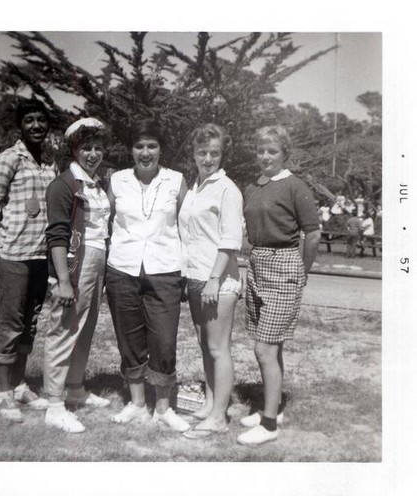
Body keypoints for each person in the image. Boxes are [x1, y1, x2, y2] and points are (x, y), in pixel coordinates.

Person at [105, 118, 190, 432]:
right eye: (139, 145)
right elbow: (102, 222)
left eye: (151, 146)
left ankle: (164, 407)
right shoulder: (117, 181)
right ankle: (137, 404)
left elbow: (189, 225)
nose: (145, 152)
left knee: (164, 341)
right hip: (122, 269)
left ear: (161, 149)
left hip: (165, 270)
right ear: (131, 149)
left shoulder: (176, 180)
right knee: (129, 338)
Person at [239, 125, 320, 445]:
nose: (265, 156)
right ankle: (271, 408)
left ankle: (269, 425)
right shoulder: (253, 186)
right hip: (257, 263)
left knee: (264, 348)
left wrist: (303, 270)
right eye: (261, 150)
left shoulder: (295, 186)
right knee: (271, 345)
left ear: (285, 153)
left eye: (272, 151)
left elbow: (312, 234)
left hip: (285, 265)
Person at [0, 98, 57, 422]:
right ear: (20, 126)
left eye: (41, 120)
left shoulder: (49, 161)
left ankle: (21, 385)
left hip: (40, 257)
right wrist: (2, 234)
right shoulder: (10, 159)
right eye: (30, 121)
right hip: (13, 257)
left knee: (30, 322)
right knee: (11, 323)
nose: (36, 126)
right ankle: (2, 393)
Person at [43, 117, 112, 433]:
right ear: (74, 149)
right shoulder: (63, 185)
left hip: (97, 263)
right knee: (64, 329)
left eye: (98, 147)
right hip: (74, 265)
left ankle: (75, 387)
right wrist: (64, 282)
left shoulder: (97, 183)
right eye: (86, 148)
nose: (93, 154)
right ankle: (55, 405)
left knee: (84, 329)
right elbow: (56, 236)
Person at [178, 124, 243, 439]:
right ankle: (209, 402)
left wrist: (215, 279)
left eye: (214, 153)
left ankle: (219, 416)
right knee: (205, 345)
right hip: (196, 278)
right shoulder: (195, 186)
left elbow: (231, 240)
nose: (208, 158)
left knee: (218, 348)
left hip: (218, 280)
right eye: (202, 152)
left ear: (222, 154)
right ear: (193, 153)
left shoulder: (227, 188)